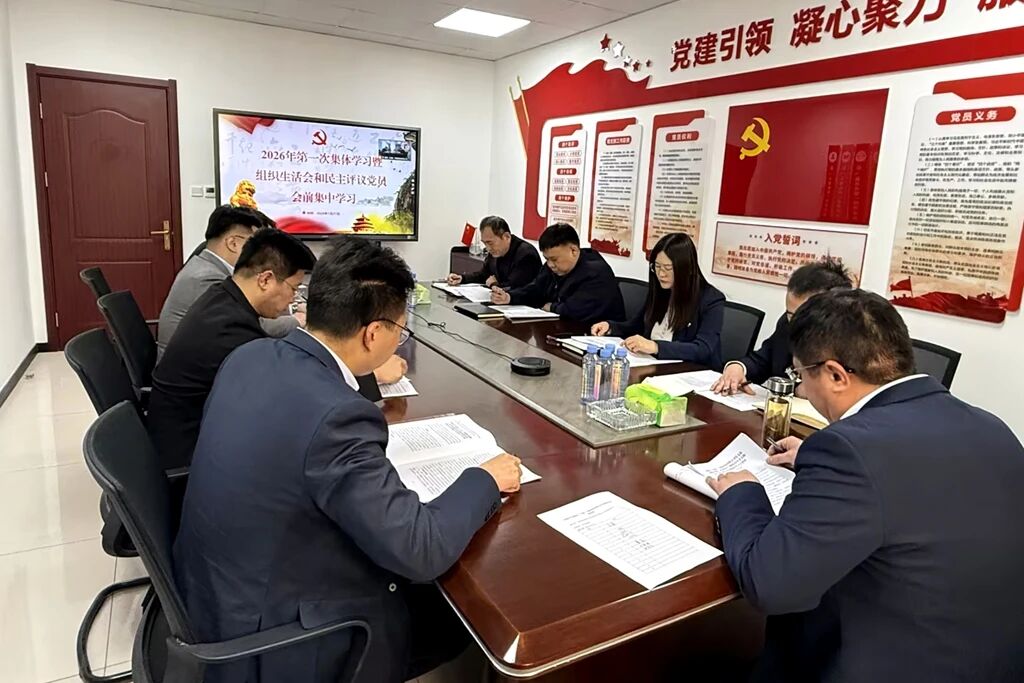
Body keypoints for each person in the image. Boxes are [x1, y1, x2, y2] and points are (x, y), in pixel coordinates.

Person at [173, 239, 523, 683]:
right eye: (400, 330)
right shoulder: (338, 418)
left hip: (214, 593)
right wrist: (484, 479)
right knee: (455, 615)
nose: (399, 340)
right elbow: (421, 548)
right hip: (276, 639)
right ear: (373, 333)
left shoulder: (250, 356)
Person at [706, 289, 1024, 682]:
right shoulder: (991, 426)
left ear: (836, 375)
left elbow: (770, 584)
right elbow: (912, 485)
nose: (801, 389)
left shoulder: (849, 449)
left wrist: (743, 494)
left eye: (800, 375)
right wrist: (812, 457)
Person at [147, 229, 319, 470]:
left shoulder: (222, 297)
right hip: (189, 458)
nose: (293, 299)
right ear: (265, 280)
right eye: (294, 288)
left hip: (185, 433)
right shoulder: (230, 329)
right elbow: (275, 398)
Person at [158, 205, 299, 357]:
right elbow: (253, 325)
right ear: (233, 243)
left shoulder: (206, 265)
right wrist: (298, 320)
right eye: (257, 245)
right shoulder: (205, 278)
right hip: (193, 366)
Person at [712, 257, 852, 395]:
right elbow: (762, 361)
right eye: (790, 314)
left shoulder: (851, 345)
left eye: (802, 316)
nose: (795, 322)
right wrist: (737, 368)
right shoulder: (786, 323)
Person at [590, 233, 724, 367]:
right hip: (652, 365)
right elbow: (637, 326)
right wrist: (610, 327)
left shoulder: (710, 299)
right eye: (657, 266)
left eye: (668, 268)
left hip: (690, 371)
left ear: (686, 268)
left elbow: (703, 349)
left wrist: (655, 347)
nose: (661, 274)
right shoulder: (661, 290)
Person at [491, 223, 624, 324]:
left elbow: (575, 310)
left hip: (596, 337)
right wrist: (509, 297)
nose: (550, 265)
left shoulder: (596, 272)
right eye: (547, 259)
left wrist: (552, 307)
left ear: (573, 250)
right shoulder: (553, 266)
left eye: (554, 259)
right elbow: (536, 289)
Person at [446, 216, 541, 289]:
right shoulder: (495, 251)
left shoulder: (526, 255)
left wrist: (494, 284)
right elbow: (484, 275)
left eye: (490, 243)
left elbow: (515, 288)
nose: (488, 248)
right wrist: (462, 278)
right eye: (485, 243)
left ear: (506, 237)